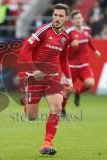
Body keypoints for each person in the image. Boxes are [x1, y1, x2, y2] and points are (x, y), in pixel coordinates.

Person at [19, 3, 73, 156]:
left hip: (52, 77)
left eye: (61, 16)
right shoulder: (43, 31)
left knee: (57, 107)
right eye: (55, 15)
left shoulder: (65, 37)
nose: (57, 18)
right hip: (34, 76)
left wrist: (69, 78)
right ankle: (27, 104)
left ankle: (47, 143)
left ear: (66, 18)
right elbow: (25, 50)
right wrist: (33, 70)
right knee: (31, 116)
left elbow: (64, 59)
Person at [62, 10, 101, 116]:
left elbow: (89, 41)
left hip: (84, 64)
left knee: (90, 83)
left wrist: (95, 50)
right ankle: (62, 109)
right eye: (76, 18)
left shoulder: (86, 30)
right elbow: (62, 47)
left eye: (80, 18)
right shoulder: (68, 32)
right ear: (72, 21)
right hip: (70, 66)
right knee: (67, 90)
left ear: (82, 19)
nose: (78, 20)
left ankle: (78, 92)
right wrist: (70, 44)